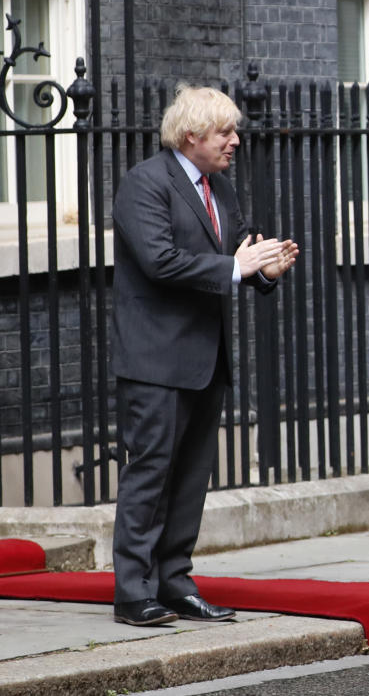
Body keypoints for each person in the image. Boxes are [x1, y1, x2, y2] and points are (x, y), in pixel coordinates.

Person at [110, 84, 298, 626]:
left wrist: (265, 270)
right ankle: (132, 591)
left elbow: (236, 252)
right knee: (149, 474)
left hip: (204, 357)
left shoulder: (220, 187)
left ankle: (174, 583)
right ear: (191, 135)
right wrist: (238, 268)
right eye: (225, 132)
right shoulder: (145, 183)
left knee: (191, 477)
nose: (235, 141)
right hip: (155, 361)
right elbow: (160, 262)